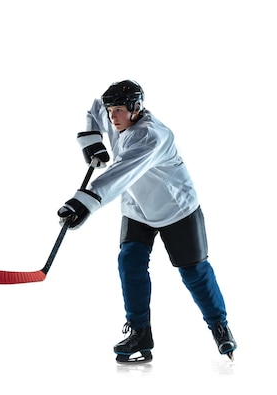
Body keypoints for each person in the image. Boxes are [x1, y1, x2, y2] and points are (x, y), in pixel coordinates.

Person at [58, 80, 236, 363]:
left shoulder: (152, 136)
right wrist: (93, 142)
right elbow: (94, 111)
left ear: (136, 108)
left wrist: (82, 203)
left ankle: (219, 326)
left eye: (118, 110)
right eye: (111, 110)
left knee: (194, 273)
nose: (112, 117)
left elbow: (121, 174)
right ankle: (140, 332)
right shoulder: (115, 115)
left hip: (175, 207)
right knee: (130, 263)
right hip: (137, 207)